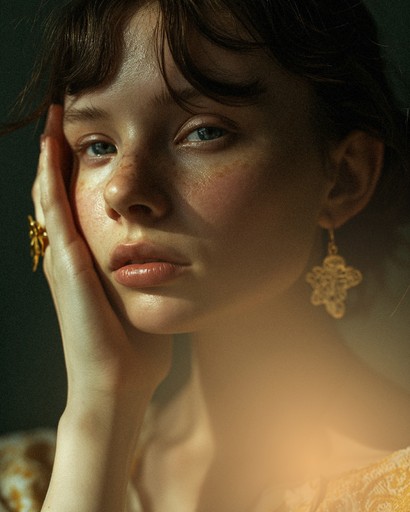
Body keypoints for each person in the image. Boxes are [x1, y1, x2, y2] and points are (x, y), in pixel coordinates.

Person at [1, 0, 410, 510]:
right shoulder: (24, 484)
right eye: (98, 146)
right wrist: (99, 412)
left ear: (345, 177)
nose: (123, 190)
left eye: (203, 131)